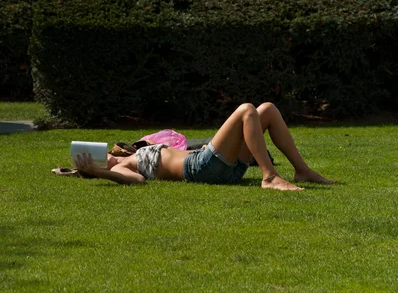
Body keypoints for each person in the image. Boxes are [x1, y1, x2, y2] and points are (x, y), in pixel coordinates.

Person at [73, 102, 337, 191]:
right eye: (100, 156)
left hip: (218, 166)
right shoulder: (126, 166)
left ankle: (302, 170)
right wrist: (97, 172)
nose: (108, 152)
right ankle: (269, 176)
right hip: (201, 168)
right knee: (246, 110)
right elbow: (136, 182)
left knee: (265, 109)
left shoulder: (130, 153)